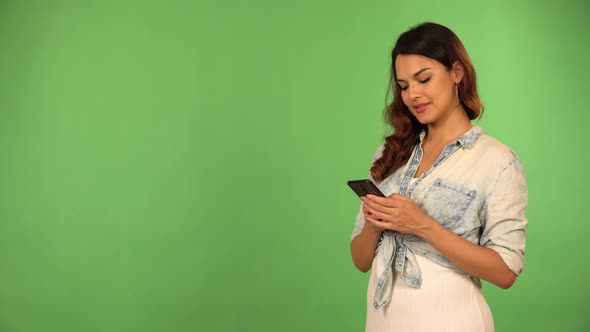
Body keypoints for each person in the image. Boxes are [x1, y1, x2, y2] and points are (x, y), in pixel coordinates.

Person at [349, 22, 528, 332]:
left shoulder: (497, 161)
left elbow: (505, 272)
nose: (412, 94)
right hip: (381, 322)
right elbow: (360, 260)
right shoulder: (390, 153)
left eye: (424, 79)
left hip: (452, 320)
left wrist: (421, 224)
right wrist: (374, 223)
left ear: (456, 72)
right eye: (404, 86)